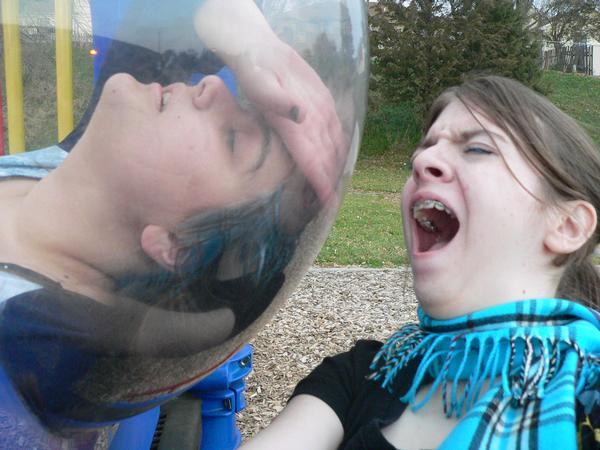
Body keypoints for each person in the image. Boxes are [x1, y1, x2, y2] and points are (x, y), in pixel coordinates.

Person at [239, 75, 600, 450]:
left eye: (477, 148)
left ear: (568, 226)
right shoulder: (366, 373)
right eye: (425, 147)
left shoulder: (590, 403)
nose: (422, 160)